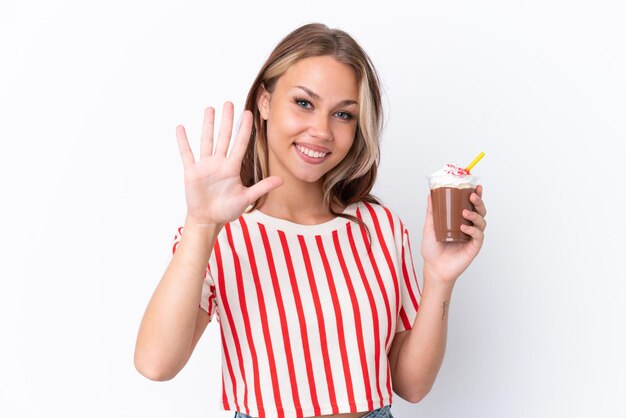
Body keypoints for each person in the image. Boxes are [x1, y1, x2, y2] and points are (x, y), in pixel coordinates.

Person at [134, 23, 487, 418]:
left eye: (343, 114)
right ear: (265, 102)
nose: (321, 131)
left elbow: (411, 385)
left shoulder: (381, 228)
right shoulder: (222, 233)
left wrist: (440, 278)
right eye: (304, 103)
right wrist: (200, 226)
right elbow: (155, 364)